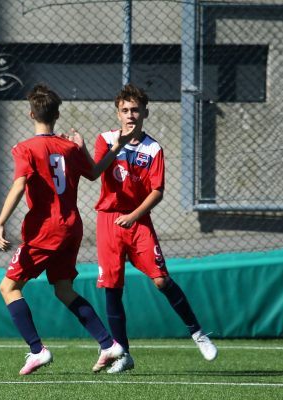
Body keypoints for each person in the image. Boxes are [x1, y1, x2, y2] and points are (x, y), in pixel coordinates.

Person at [0, 84, 135, 375]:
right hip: (72, 228)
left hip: (45, 231)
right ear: (57, 114)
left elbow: (20, 184)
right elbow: (95, 172)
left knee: (8, 287)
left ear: (31, 113)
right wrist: (115, 148)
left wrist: (0, 221)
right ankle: (108, 344)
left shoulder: (25, 148)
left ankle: (37, 350)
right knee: (63, 289)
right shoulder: (70, 148)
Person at [88, 84, 218, 374]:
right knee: (112, 287)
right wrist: (117, 146)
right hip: (109, 220)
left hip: (138, 221)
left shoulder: (153, 148)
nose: (130, 115)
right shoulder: (105, 139)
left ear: (145, 112)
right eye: (125, 110)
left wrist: (134, 215)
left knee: (161, 280)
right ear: (117, 113)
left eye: (135, 109)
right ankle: (123, 354)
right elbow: (95, 171)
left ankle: (198, 333)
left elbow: (157, 191)